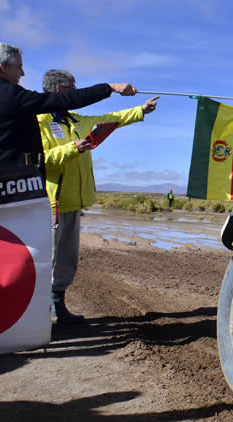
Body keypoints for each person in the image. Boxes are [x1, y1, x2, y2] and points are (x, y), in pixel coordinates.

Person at [38, 69, 159, 324]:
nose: (78, 93)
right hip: (51, 204)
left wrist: (140, 111)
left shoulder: (75, 120)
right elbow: (38, 161)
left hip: (74, 202)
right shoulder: (39, 122)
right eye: (74, 88)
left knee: (66, 258)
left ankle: (58, 307)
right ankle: (39, 313)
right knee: (48, 258)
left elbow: (110, 118)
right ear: (59, 90)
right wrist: (71, 149)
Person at [0, 42, 137, 175]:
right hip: (13, 191)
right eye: (19, 67)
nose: (22, 74)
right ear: (4, 68)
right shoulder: (12, 96)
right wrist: (110, 87)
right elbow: (65, 100)